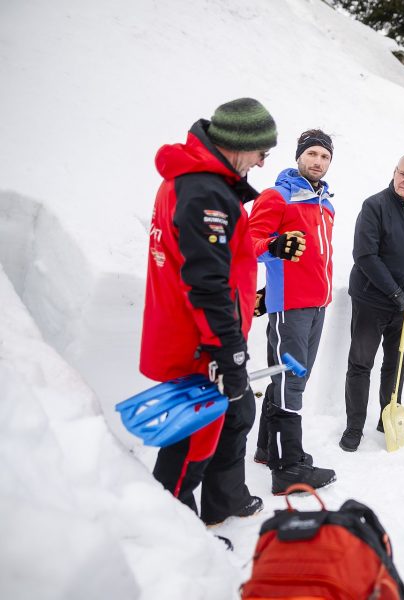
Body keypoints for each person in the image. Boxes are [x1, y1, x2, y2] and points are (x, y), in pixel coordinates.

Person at [140, 97, 277, 526]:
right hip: (199, 346)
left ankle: (194, 520)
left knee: (202, 436)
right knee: (188, 452)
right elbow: (208, 284)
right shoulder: (205, 192)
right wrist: (229, 353)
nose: (261, 162)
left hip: (193, 338)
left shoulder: (191, 182)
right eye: (261, 152)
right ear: (239, 144)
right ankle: (171, 538)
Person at [248, 129, 337, 494]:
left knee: (288, 379)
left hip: (317, 305)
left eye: (325, 157)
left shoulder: (325, 203)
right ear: (299, 155)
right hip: (291, 308)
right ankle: (288, 468)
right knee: (291, 381)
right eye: (312, 154)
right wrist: (274, 246)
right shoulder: (276, 196)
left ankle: (269, 450)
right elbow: (248, 242)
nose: (318, 161)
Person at [339, 152, 404, 452]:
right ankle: (354, 427)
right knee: (361, 362)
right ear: (394, 172)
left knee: (397, 363)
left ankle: (388, 418)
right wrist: (396, 293)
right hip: (372, 301)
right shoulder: (375, 206)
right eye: (402, 174)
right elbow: (365, 255)